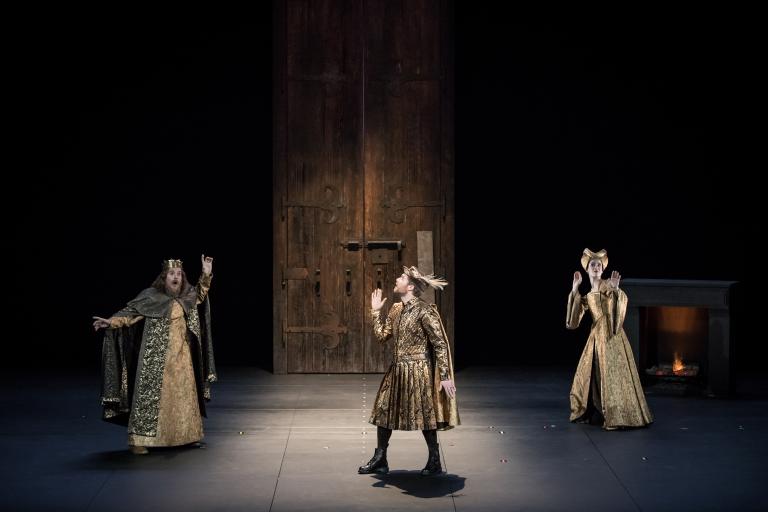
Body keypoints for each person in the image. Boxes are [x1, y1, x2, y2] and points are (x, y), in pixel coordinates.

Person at [93, 255, 216, 454]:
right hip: (154, 358)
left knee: (183, 397)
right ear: (164, 277)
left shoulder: (187, 296)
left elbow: (200, 294)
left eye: (179, 274)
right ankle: (138, 440)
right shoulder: (150, 296)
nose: (175, 277)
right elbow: (130, 314)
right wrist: (111, 321)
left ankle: (186, 436)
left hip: (182, 359)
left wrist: (206, 273)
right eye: (171, 274)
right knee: (149, 397)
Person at [358, 266, 460, 476]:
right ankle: (380, 459)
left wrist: (445, 376)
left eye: (402, 277)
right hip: (397, 370)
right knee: (383, 410)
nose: (397, 279)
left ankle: (434, 460)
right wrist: (375, 312)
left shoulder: (425, 311)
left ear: (411, 287)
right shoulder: (396, 308)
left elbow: (440, 344)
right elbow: (382, 336)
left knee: (425, 414)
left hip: (419, 370)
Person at [567, 248, 653, 430]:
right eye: (592, 264)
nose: (596, 267)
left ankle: (619, 414)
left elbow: (620, 302)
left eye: (599, 265)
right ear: (587, 268)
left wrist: (615, 289)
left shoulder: (607, 284)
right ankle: (594, 410)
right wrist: (575, 288)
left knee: (612, 373)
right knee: (589, 371)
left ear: (603, 268)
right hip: (596, 337)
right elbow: (573, 321)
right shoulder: (589, 293)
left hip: (611, 336)